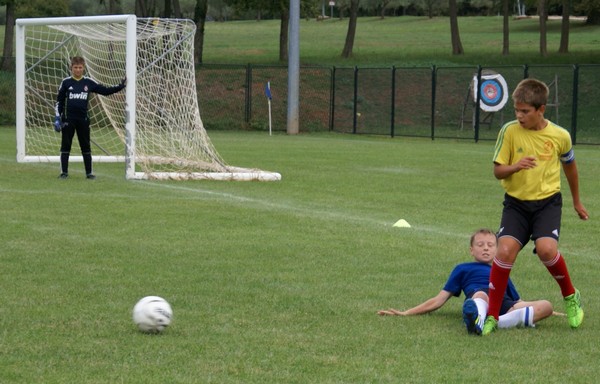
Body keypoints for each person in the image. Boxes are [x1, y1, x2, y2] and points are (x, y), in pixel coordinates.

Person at [484, 78, 588, 335]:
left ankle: (571, 296)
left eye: (525, 111)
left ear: (541, 109)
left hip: (548, 204)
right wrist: (516, 166)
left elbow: (570, 168)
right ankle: (492, 316)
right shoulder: (509, 131)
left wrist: (576, 200)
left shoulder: (560, 136)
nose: (519, 116)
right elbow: (498, 172)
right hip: (516, 204)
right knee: (505, 250)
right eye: (517, 110)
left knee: (546, 249)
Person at [378, 229, 555, 335]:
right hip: (481, 298)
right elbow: (438, 300)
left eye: (490, 245)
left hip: (503, 305)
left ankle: (493, 322)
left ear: (497, 249)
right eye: (480, 244)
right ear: (471, 250)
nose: (485, 248)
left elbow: (518, 301)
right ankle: (477, 317)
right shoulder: (462, 269)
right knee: (481, 294)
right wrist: (407, 313)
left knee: (547, 305)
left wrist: (550, 312)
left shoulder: (501, 271)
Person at [54, 56, 126, 179]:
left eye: (80, 67)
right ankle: (64, 173)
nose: (77, 70)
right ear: (71, 68)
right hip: (68, 120)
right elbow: (59, 102)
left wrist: (120, 87)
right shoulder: (66, 83)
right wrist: (57, 118)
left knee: (85, 146)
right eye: (75, 67)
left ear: (84, 68)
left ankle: (89, 173)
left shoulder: (88, 82)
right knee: (65, 146)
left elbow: (105, 91)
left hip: (83, 119)